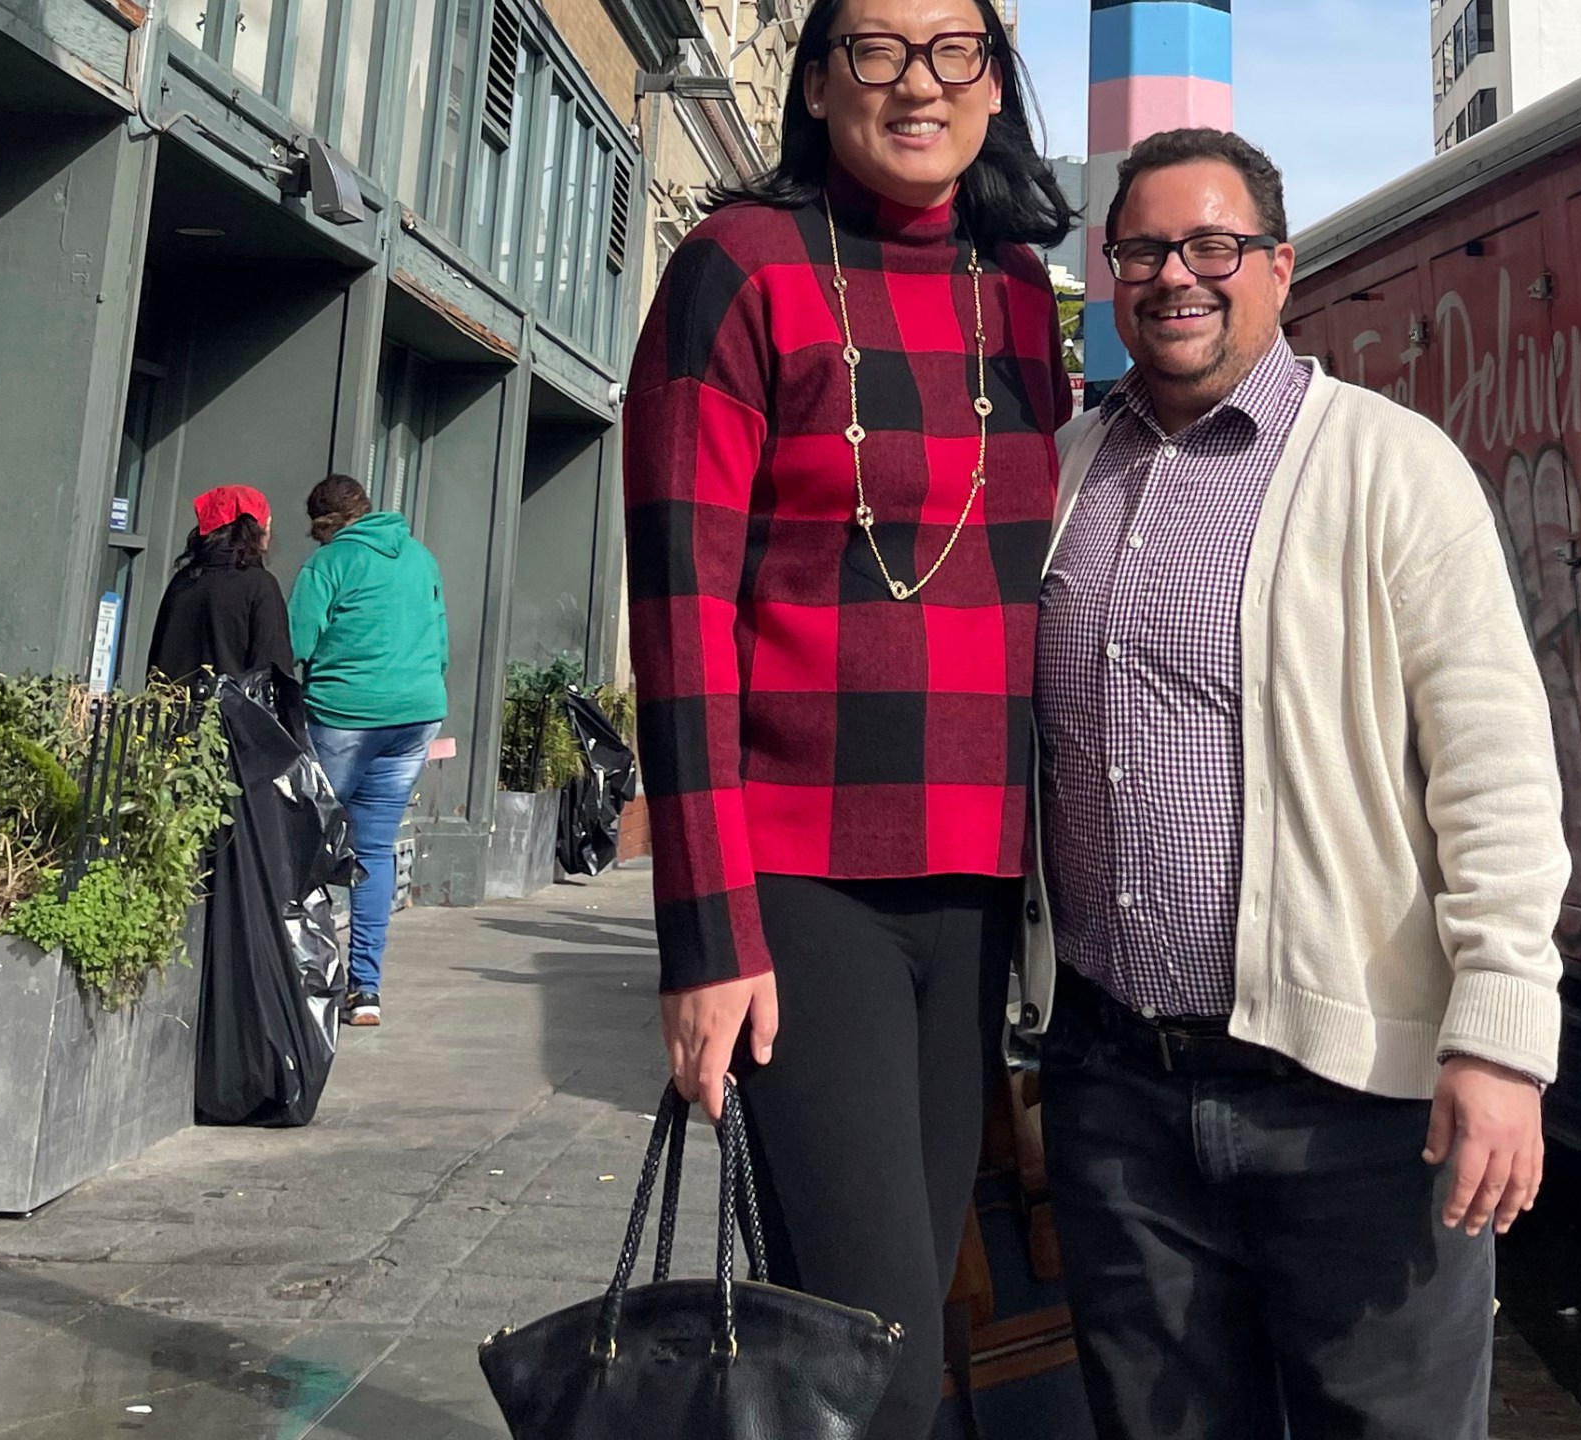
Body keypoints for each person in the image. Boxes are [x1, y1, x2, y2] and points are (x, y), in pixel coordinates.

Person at [1022, 128, 1570, 1440]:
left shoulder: (1389, 466)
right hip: (1119, 1093)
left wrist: (1500, 1042)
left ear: (1279, 268)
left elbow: (1495, 768)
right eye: (1143, 249)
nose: (1176, 276)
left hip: (1355, 1106)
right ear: (1110, 273)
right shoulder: (1064, 473)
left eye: (1212, 246)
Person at [621, 0, 1071, 1434]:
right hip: (807, 880)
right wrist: (706, 934)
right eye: (878, 48)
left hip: (979, 886)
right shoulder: (736, 270)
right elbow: (679, 617)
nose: (917, 82)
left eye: (955, 51)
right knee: (870, 1357)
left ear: (995, 89)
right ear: (819, 82)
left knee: (916, 1341)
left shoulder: (1015, 291)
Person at [291, 474, 450, 1030]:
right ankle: (366, 991)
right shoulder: (420, 557)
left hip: (346, 713)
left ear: (323, 522)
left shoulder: (329, 564)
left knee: (307, 837)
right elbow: (440, 636)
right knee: (375, 850)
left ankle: (302, 974)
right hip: (417, 713)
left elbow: (296, 643)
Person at [148, 485, 293, 686]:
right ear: (259, 529)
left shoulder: (182, 581)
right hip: (229, 714)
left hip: (173, 712)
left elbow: (158, 662)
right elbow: (272, 670)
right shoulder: (260, 585)